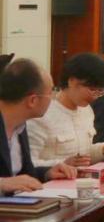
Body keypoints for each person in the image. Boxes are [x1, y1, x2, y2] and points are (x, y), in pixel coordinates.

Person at [27, 52, 104, 168]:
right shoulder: (42, 114)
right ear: (72, 81)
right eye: (92, 89)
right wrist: (62, 164)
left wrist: (102, 150)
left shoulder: (87, 111)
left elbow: (82, 154)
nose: (95, 96)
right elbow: (28, 164)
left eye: (100, 91)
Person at [1, 59, 77, 194]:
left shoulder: (20, 125)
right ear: (33, 100)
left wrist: (47, 173)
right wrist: (2, 184)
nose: (53, 98)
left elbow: (21, 176)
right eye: (51, 92)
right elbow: (9, 182)